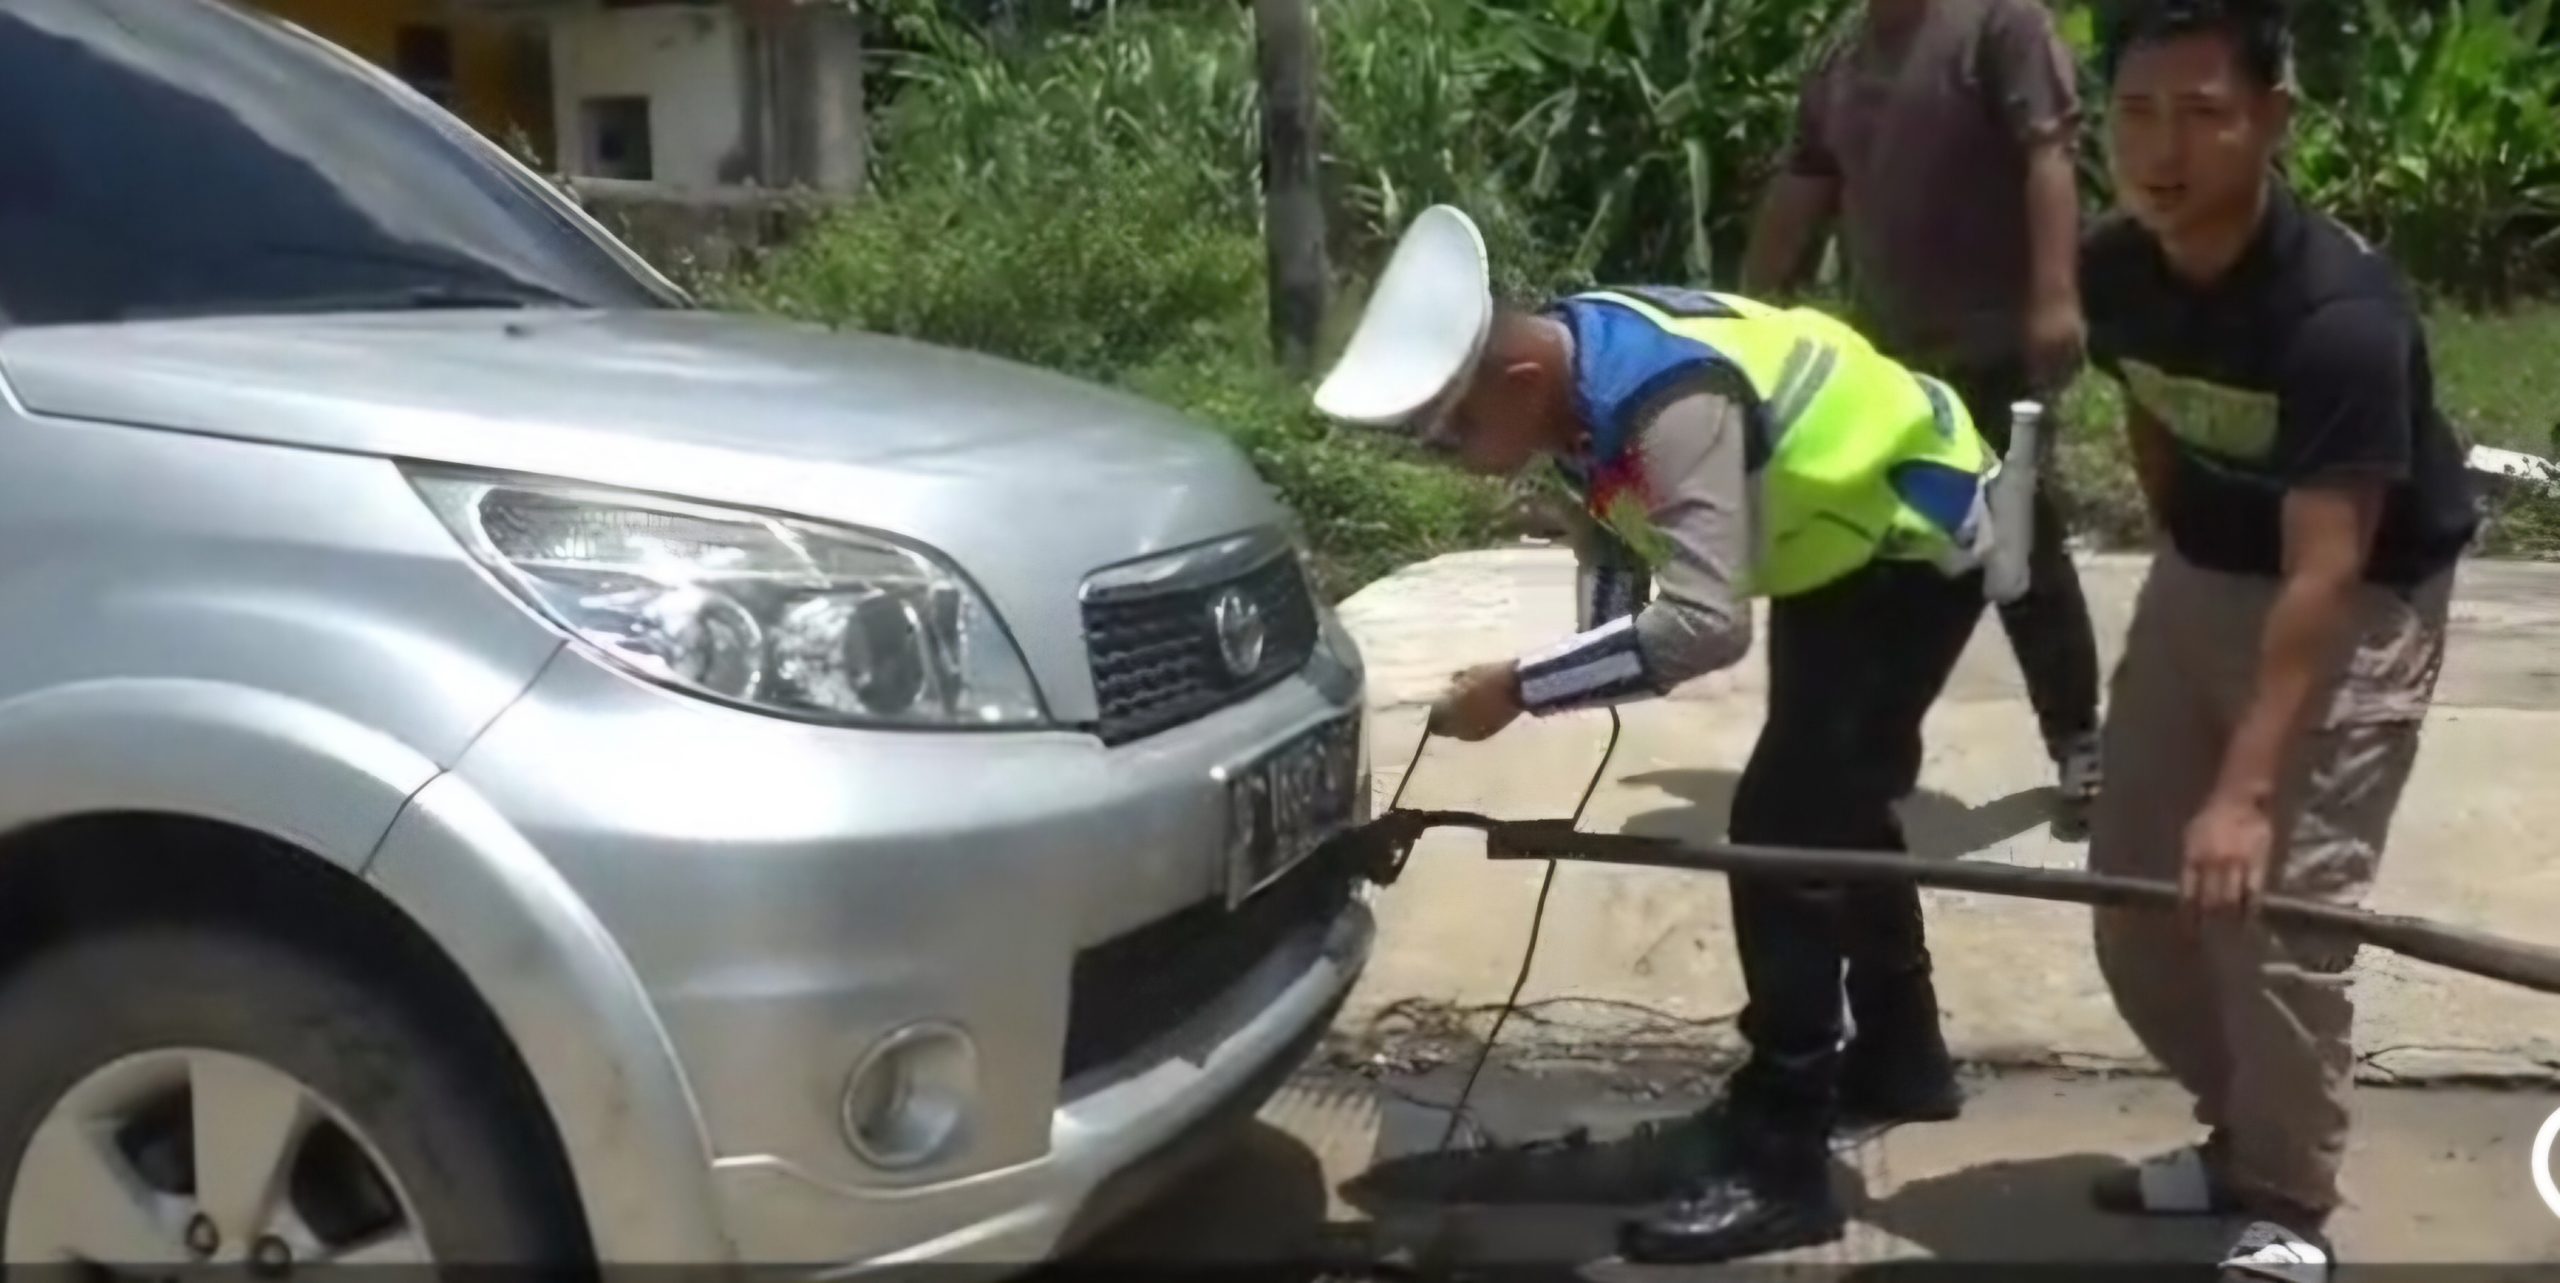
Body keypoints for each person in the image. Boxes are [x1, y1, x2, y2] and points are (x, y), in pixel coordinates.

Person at [1312, 204, 2026, 1265]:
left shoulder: (1661, 402)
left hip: (1913, 536)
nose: (1446, 455)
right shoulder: (1571, 382)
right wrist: (1587, 652)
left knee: (1782, 831)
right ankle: (1899, 1057)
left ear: (1518, 380)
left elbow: (1703, 625)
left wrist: (1522, 688)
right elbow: (1617, 535)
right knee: (1833, 799)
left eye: (1451, 430)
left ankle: (1783, 1158)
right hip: (1836, 537)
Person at [2076, 2, 2479, 1278]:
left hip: (2352, 600)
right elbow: (2148, 410)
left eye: (2202, 114)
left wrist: (2245, 791)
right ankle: (2239, 1136)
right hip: (2203, 571)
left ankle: (2288, 1199)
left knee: (2277, 911)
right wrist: (2181, 553)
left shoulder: (2337, 314)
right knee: (2134, 897)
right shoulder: (2113, 270)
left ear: (2271, 121)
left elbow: (2327, 566)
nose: (2161, 148)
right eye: (2136, 112)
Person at [1741, 0, 2107, 836]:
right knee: (1887, 558)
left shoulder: (1998, 26)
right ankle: (1878, 743)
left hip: (1993, 348)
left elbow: (2048, 152)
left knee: (2017, 546)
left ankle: (2079, 740)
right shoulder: (1843, 54)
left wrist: (2055, 296)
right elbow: (1806, 181)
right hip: (1889, 366)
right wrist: (1752, 305)